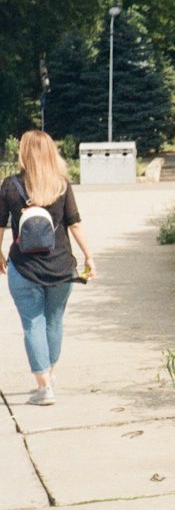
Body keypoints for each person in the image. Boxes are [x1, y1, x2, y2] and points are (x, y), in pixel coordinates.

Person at [0, 130, 96, 406]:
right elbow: (74, 223)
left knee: (33, 324)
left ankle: (43, 388)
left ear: (24, 153)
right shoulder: (62, 185)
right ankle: (48, 377)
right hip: (62, 269)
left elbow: (0, 224)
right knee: (53, 322)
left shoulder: (10, 186)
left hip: (24, 267)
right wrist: (89, 256)